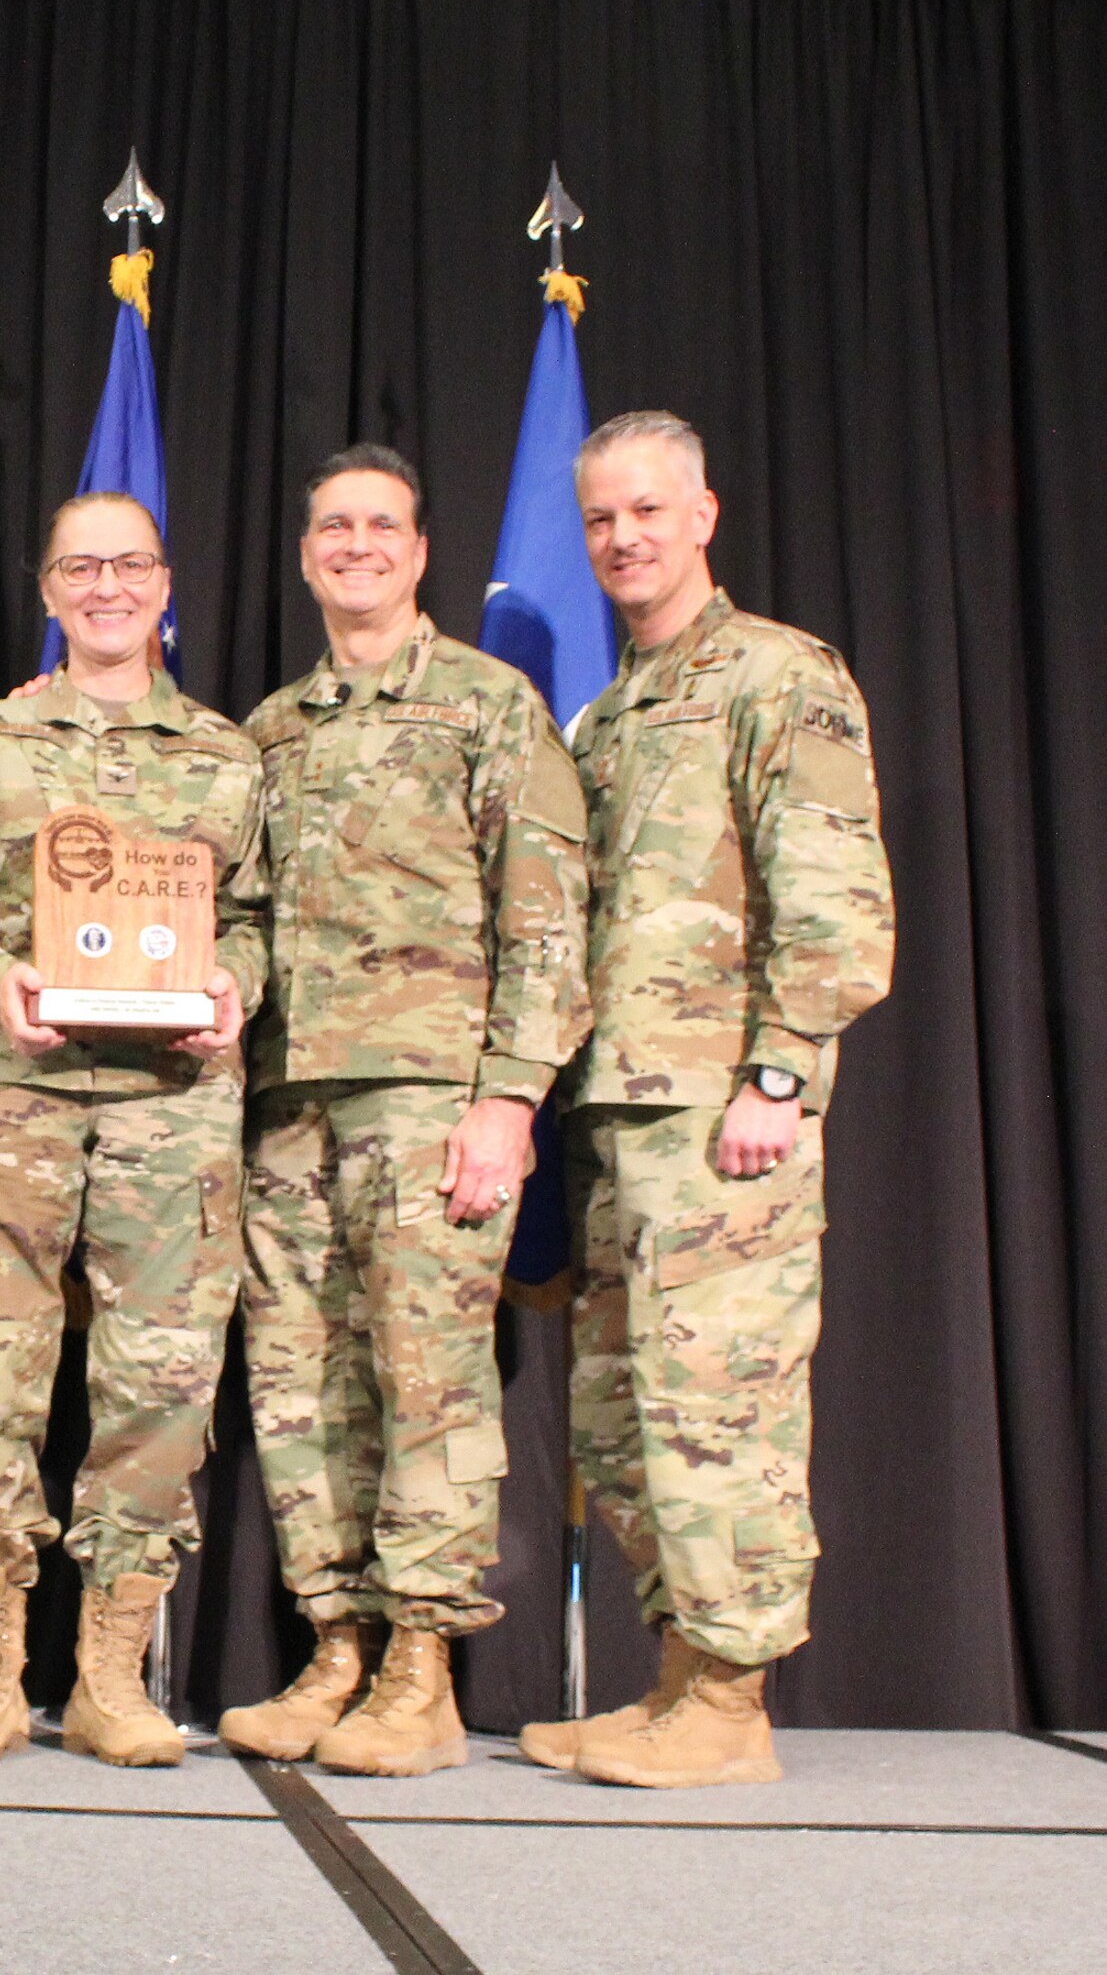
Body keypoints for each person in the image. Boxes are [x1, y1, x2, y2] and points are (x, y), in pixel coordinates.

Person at [517, 411, 894, 1788]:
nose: (621, 538)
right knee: (627, 1415)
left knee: (718, 1402)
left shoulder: (774, 676)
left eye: (645, 511)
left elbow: (833, 894)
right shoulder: (611, 716)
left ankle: (730, 1706)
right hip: (620, 1114)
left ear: (702, 514)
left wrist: (779, 1069)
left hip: (724, 1111)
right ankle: (677, 1677)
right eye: (601, 519)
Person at [0, 492, 266, 1768]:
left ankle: (108, 1674)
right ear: (48, 591)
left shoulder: (226, 754)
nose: (107, 585)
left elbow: (260, 916)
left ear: (165, 584)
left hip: (169, 1111)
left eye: (130, 564)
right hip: (2, 1100)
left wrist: (234, 986)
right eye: (80, 566)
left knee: (157, 1387)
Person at [217, 445, 592, 1776]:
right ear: (308, 552)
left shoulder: (488, 707)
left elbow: (546, 920)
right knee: (299, 1382)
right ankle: (336, 1647)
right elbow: (242, 919)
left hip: (431, 1099)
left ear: (420, 552)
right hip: (286, 1108)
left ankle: (422, 1670)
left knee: (426, 1385)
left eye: (381, 525)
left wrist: (508, 1099)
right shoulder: (269, 729)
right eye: (333, 526)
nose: (356, 545)